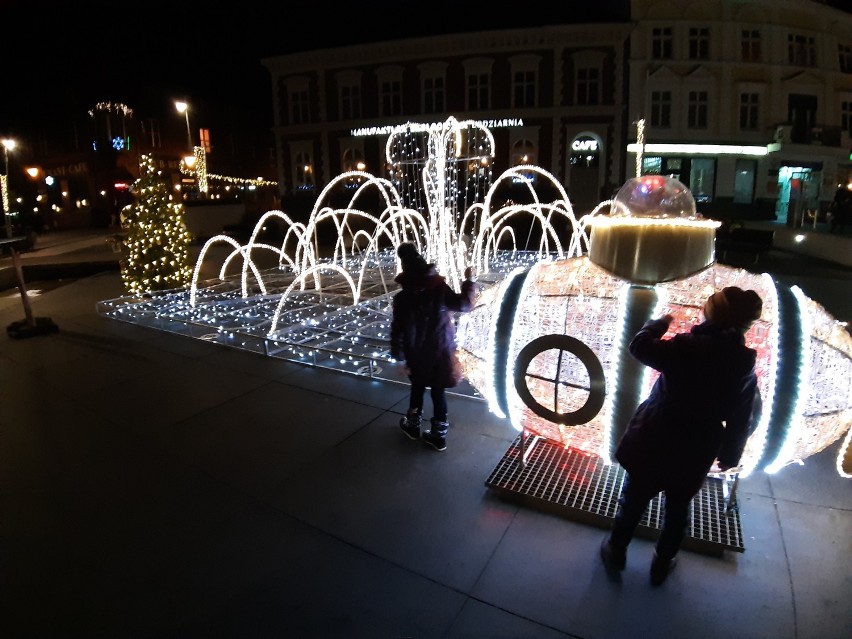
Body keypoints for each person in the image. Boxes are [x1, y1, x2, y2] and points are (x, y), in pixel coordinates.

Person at [600, 286, 763, 585]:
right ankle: (663, 562)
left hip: (655, 437)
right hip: (696, 447)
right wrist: (730, 454)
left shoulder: (687, 346)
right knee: (678, 510)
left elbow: (639, 347)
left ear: (711, 313)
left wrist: (658, 324)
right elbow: (742, 416)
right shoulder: (743, 362)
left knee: (633, 500)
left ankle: (616, 550)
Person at [390, 242, 477, 451]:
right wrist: (470, 281)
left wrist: (400, 358)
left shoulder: (402, 298)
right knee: (438, 392)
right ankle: (438, 436)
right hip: (440, 352)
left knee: (417, 389)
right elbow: (464, 305)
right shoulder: (439, 290)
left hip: (416, 354)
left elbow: (398, 330)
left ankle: (412, 426)